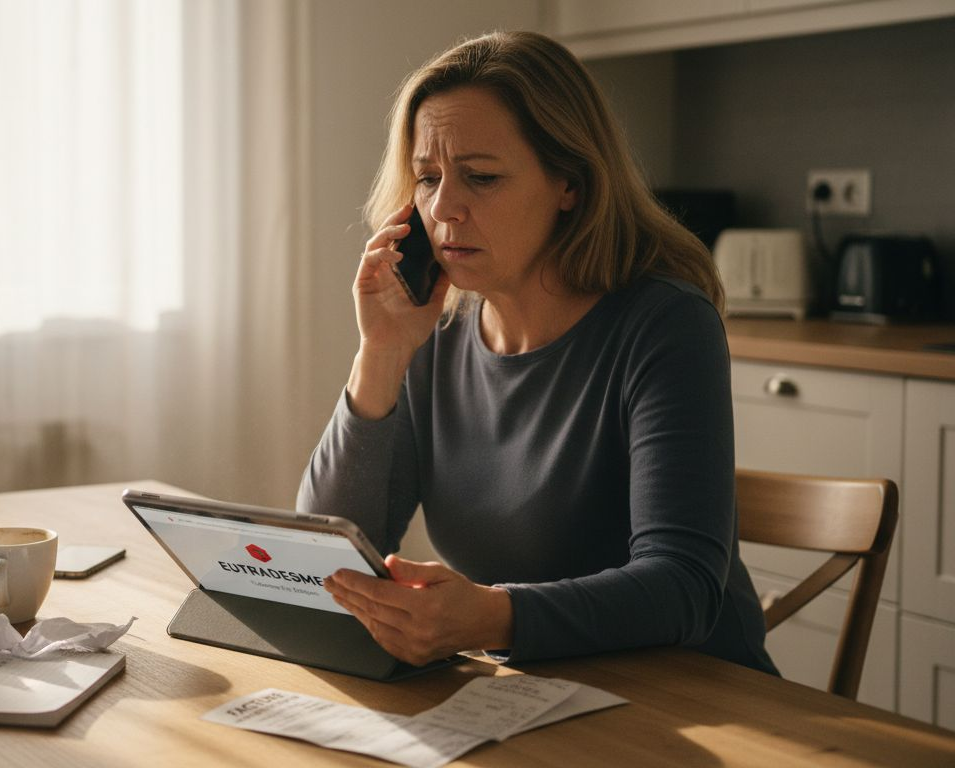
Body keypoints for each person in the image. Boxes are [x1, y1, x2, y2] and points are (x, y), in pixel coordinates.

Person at [297, 30, 778, 675]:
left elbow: (683, 586)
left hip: (694, 699)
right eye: (428, 178)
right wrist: (378, 355)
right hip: (532, 690)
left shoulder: (664, 325)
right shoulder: (431, 332)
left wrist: (493, 616)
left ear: (570, 184)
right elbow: (330, 558)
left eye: (482, 178)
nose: (444, 209)